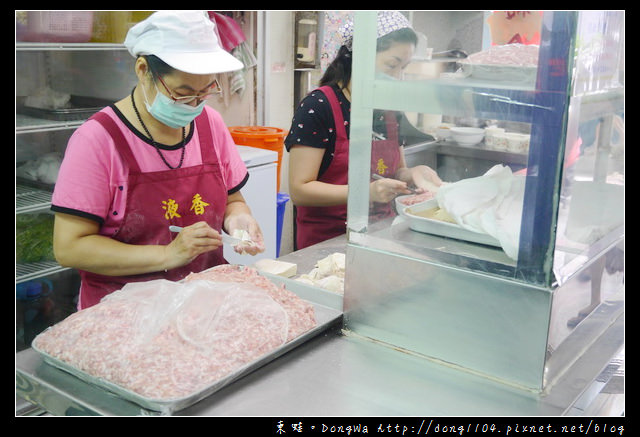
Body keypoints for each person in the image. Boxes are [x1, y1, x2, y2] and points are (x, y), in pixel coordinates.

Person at [51, 11, 265, 309]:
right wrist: (167, 255)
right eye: (182, 93)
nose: (195, 104)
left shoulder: (210, 124)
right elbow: (69, 247)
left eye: (206, 91)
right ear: (143, 70)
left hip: (204, 302)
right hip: (123, 312)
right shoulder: (98, 140)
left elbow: (233, 200)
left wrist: (239, 219)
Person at [285, 11, 443, 250]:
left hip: (380, 235)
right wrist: (365, 192)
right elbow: (300, 190)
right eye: (392, 65)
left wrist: (412, 174)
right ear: (361, 55)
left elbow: (396, 171)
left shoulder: (388, 108)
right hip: (326, 243)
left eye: (404, 67)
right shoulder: (318, 107)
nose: (397, 77)